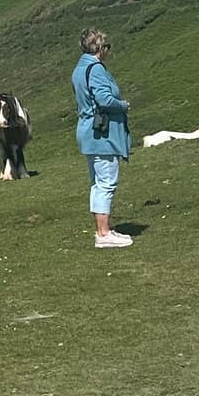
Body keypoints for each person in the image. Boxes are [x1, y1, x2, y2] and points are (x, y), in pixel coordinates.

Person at [72, 28, 133, 248]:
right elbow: (104, 99)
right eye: (106, 47)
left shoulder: (79, 68)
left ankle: (103, 229)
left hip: (87, 130)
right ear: (99, 48)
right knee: (106, 181)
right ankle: (104, 233)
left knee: (97, 182)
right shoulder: (95, 68)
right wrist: (123, 106)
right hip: (102, 134)